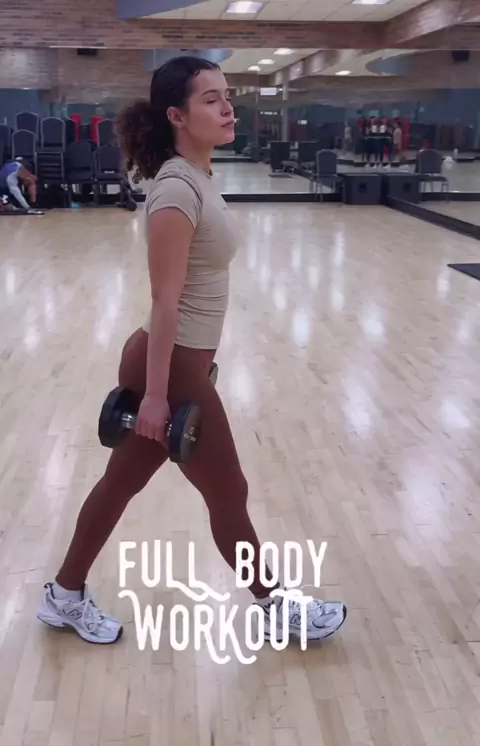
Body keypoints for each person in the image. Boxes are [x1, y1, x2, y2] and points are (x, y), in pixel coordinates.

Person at [36, 56, 347, 645]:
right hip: (171, 363)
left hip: (183, 361)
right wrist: (157, 394)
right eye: (211, 99)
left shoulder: (198, 176)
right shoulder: (177, 190)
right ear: (176, 115)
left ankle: (64, 595)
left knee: (120, 482)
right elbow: (164, 301)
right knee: (229, 491)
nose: (228, 108)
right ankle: (276, 606)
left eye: (227, 95)